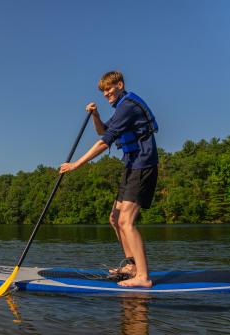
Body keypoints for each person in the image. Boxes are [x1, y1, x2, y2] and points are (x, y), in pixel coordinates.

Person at [60, 71, 158, 287]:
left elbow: (104, 143)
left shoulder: (128, 106)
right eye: (103, 91)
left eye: (109, 89)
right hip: (131, 165)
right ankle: (131, 265)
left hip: (143, 164)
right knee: (114, 218)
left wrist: (76, 164)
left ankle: (143, 277)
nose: (106, 94)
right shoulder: (121, 108)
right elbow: (102, 131)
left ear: (120, 85)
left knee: (126, 221)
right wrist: (95, 115)